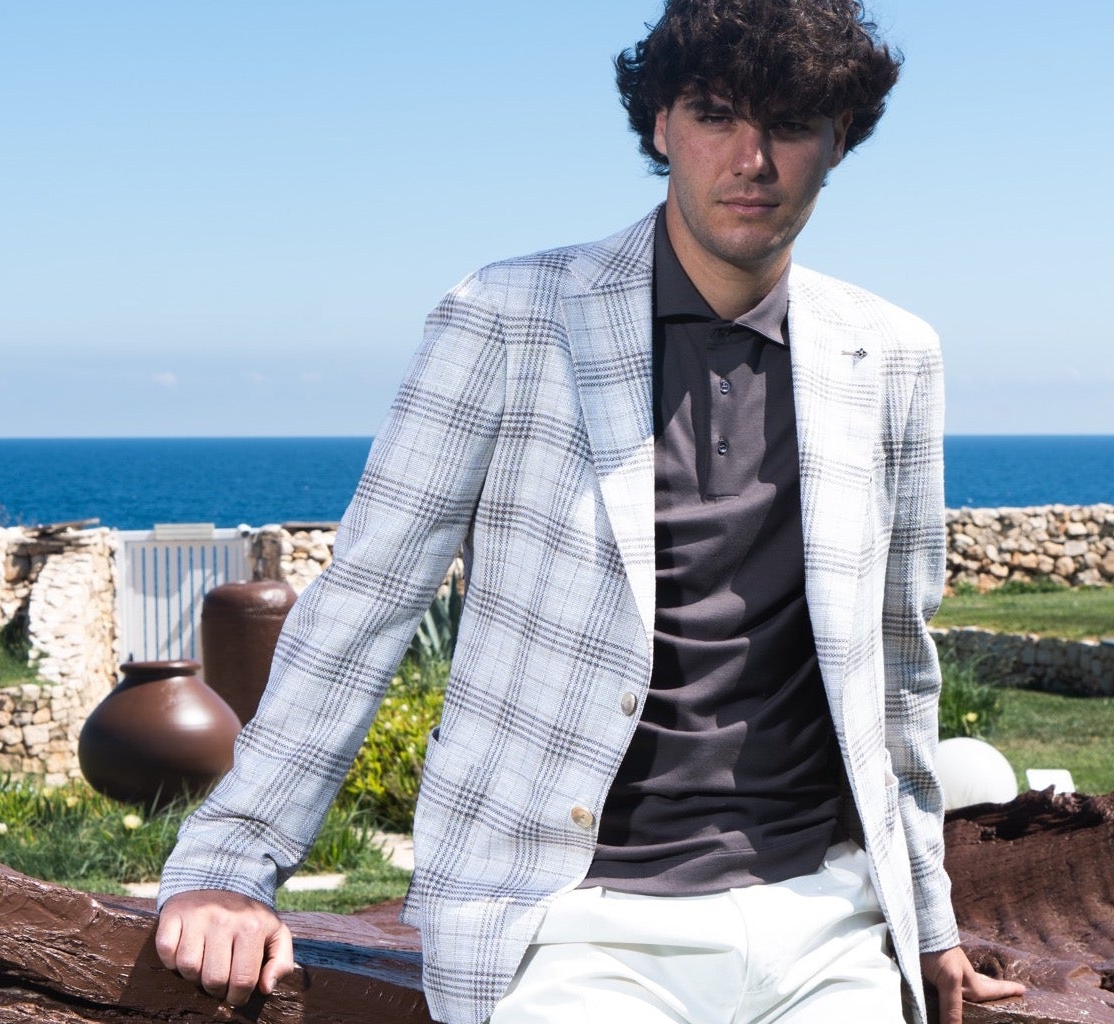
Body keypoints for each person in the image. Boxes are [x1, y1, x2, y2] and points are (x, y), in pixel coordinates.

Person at [152, 1, 1025, 1021]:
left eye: (789, 125)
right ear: (660, 124)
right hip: (573, 922)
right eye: (715, 116)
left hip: (824, 915)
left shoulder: (892, 354)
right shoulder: (506, 318)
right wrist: (229, 863)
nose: (751, 160)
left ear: (838, 139)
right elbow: (364, 603)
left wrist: (927, 920)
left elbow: (897, 662)